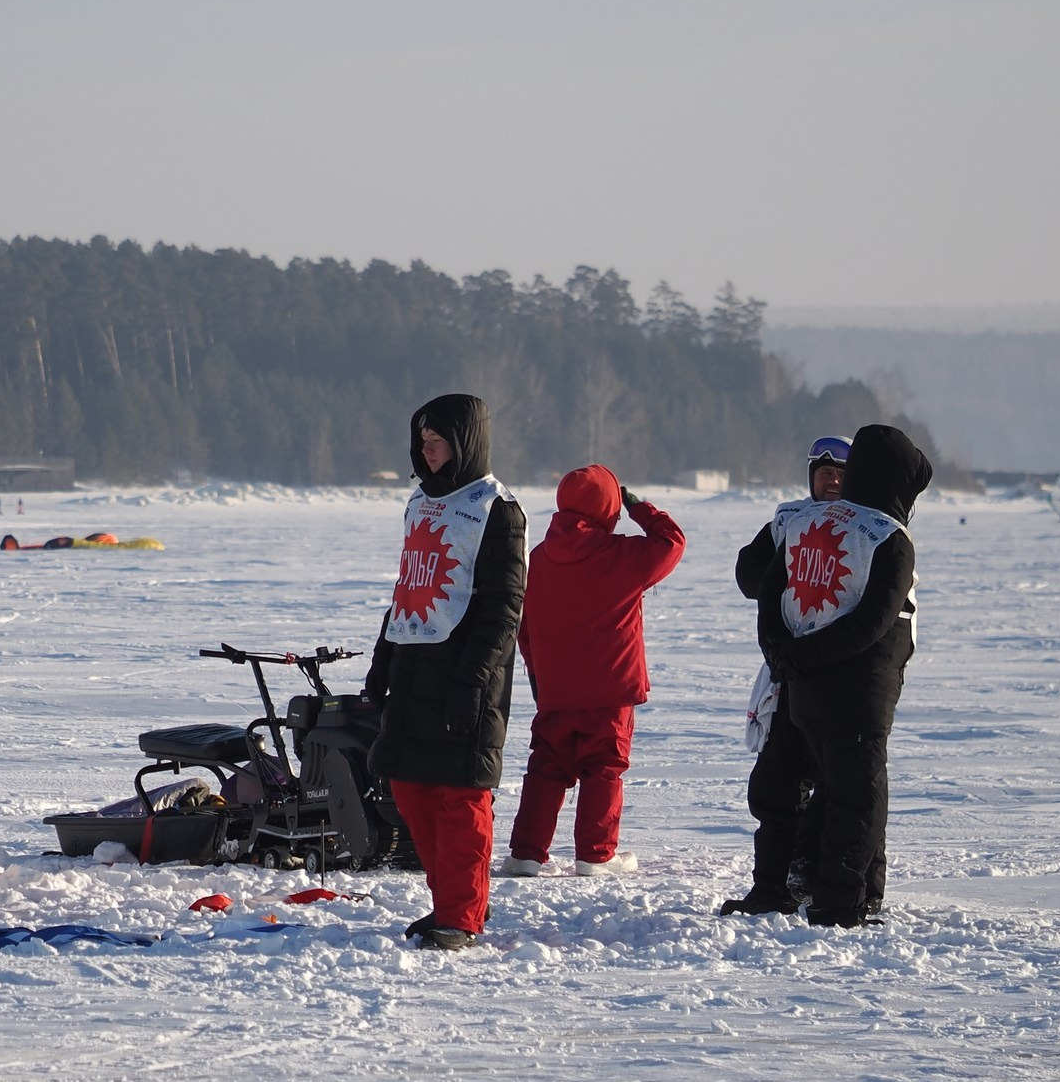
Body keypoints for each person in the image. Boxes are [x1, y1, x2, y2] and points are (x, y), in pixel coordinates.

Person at [750, 423, 932, 927]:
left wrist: (783, 651)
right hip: (857, 686)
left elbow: (765, 586)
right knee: (856, 796)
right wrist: (803, 656)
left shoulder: (807, 521)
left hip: (804, 679)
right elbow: (874, 621)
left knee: (818, 789)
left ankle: (804, 885)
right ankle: (840, 901)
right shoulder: (889, 537)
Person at [363, 394, 526, 950]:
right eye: (422, 443)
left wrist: (474, 681)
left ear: (465, 442)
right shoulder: (419, 501)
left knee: (460, 797)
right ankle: (445, 904)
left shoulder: (496, 509)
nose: (427, 454)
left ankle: (461, 915)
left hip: (466, 673)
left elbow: (505, 606)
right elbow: (409, 585)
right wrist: (382, 659)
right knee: (410, 787)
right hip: (413, 666)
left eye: (438, 443)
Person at [499, 465, 685, 877]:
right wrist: (639, 507)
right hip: (610, 691)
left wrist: (542, 675)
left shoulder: (539, 559)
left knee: (547, 767)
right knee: (604, 767)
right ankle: (596, 855)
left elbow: (524, 630)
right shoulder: (622, 555)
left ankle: (527, 853)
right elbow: (672, 542)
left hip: (557, 692)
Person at [721, 435, 851, 915]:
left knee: (839, 789)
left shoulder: (869, 528)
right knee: (776, 785)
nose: (831, 479)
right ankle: (771, 887)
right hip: (788, 675)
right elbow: (749, 576)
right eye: (823, 471)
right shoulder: (788, 520)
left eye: (841, 472)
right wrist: (791, 567)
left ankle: (824, 881)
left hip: (842, 681)